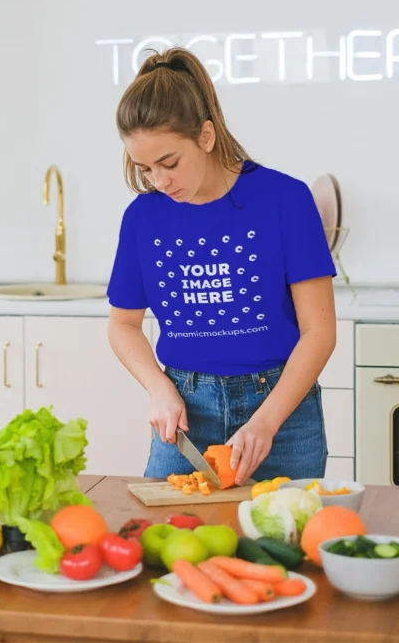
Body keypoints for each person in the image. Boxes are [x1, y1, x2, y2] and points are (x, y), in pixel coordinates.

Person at [107, 47, 336, 486]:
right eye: (145, 168)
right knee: (170, 545)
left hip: (283, 412)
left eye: (169, 163)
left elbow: (320, 332)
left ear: (206, 137)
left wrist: (266, 423)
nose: (158, 181)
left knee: (283, 544)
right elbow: (123, 325)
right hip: (187, 412)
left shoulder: (285, 200)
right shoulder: (142, 218)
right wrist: (158, 388)